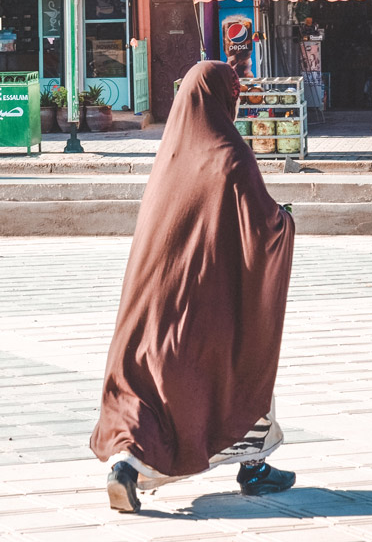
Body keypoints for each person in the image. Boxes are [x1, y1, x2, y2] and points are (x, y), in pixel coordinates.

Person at [91, 60, 295, 513]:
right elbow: (262, 226)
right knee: (243, 366)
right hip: (206, 308)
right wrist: (285, 220)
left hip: (147, 307)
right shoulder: (231, 154)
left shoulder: (169, 157)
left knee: (145, 386)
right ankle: (254, 469)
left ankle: (124, 466)